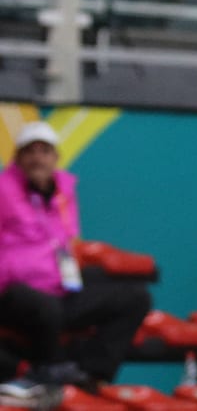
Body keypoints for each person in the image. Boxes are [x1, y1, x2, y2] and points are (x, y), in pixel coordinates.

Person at [0, 122, 152, 400]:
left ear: (55, 158)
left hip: (58, 288)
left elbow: (64, 243)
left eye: (44, 151)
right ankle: (44, 373)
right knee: (44, 308)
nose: (37, 158)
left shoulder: (62, 193)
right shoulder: (2, 191)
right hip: (11, 292)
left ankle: (89, 372)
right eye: (29, 151)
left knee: (135, 298)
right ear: (17, 159)